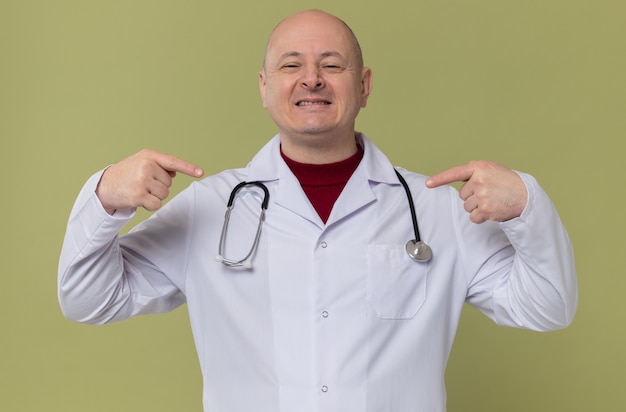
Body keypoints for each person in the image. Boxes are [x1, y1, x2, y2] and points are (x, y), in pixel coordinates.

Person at [58, 9, 577, 411]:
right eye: (291, 66)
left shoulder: (437, 209)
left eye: (332, 65)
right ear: (264, 88)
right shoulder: (211, 207)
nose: (312, 79)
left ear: (365, 85)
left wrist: (525, 206)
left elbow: (548, 307)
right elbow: (87, 301)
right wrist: (104, 197)